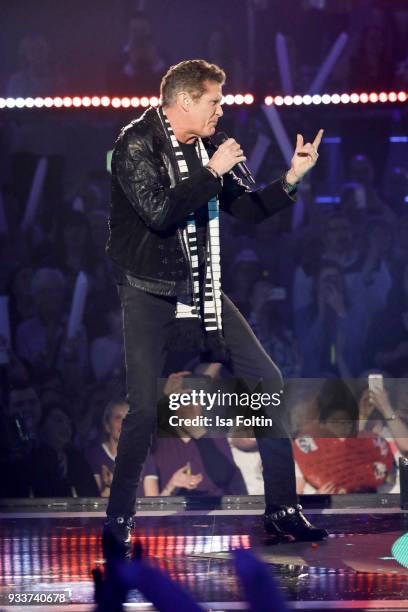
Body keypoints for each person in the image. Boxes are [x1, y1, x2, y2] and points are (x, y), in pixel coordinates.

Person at [104, 59, 326, 557]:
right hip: (149, 289)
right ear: (184, 101)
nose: (220, 111)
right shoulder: (134, 145)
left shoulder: (209, 145)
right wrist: (210, 172)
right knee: (143, 409)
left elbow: (245, 207)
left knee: (266, 381)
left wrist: (291, 178)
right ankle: (118, 521)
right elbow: (161, 213)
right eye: (214, 102)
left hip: (201, 285)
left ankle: (282, 509)